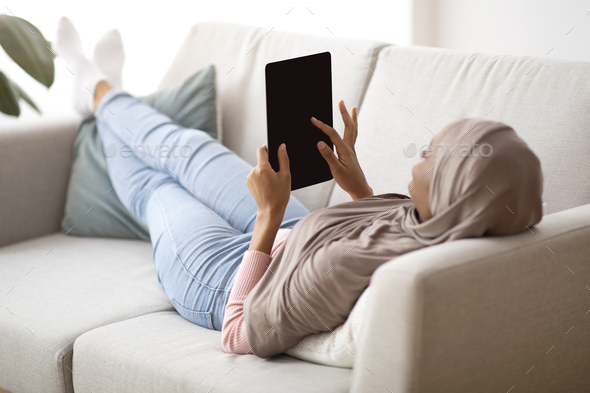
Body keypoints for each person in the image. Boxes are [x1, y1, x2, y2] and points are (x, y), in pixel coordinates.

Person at [52, 16, 544, 358]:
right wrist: (358, 188)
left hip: (225, 278)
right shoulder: (441, 225)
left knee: (158, 188)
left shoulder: (341, 268)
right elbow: (380, 235)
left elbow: (239, 331)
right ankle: (101, 93)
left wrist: (267, 219)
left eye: (431, 157)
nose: (418, 157)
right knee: (190, 148)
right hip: (299, 229)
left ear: (456, 193)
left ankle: (93, 90)